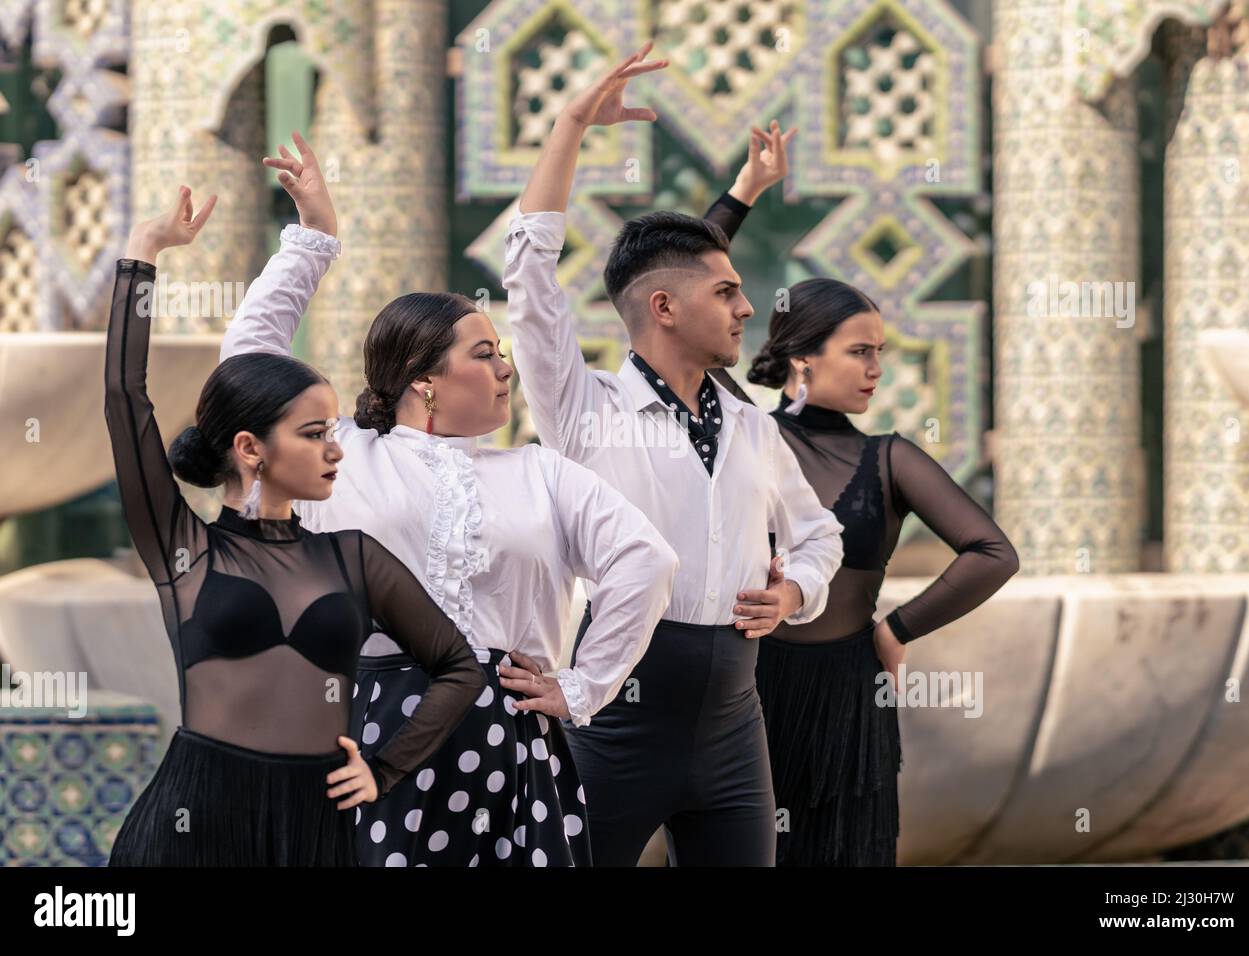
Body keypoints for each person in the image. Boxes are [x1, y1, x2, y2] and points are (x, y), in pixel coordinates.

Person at [220, 134, 679, 867]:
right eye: (485, 354)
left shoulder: (539, 472)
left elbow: (647, 562)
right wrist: (312, 241)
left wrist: (582, 687)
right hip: (362, 735)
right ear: (424, 379)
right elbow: (246, 368)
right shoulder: (339, 455)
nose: (506, 371)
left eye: (503, 354)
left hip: (507, 742)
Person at [505, 44, 843, 867]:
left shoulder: (754, 426)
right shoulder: (586, 409)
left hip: (736, 733)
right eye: (726, 294)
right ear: (663, 307)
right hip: (616, 719)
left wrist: (797, 589)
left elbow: (819, 535)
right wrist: (572, 123)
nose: (747, 307)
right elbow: (529, 275)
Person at [104, 187, 486, 866]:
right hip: (195, 818)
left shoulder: (353, 559)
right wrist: (143, 251)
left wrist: (385, 768)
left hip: (317, 823)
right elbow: (124, 400)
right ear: (250, 448)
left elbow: (459, 667)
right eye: (314, 433)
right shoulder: (185, 548)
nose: (336, 447)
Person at [742, 273, 1020, 866]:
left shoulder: (890, 459)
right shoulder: (744, 437)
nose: (877, 369)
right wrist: (744, 194)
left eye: (879, 353)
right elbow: (680, 275)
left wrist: (896, 629)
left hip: (849, 697)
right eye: (859, 351)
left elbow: (993, 553)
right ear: (802, 359)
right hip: (745, 689)